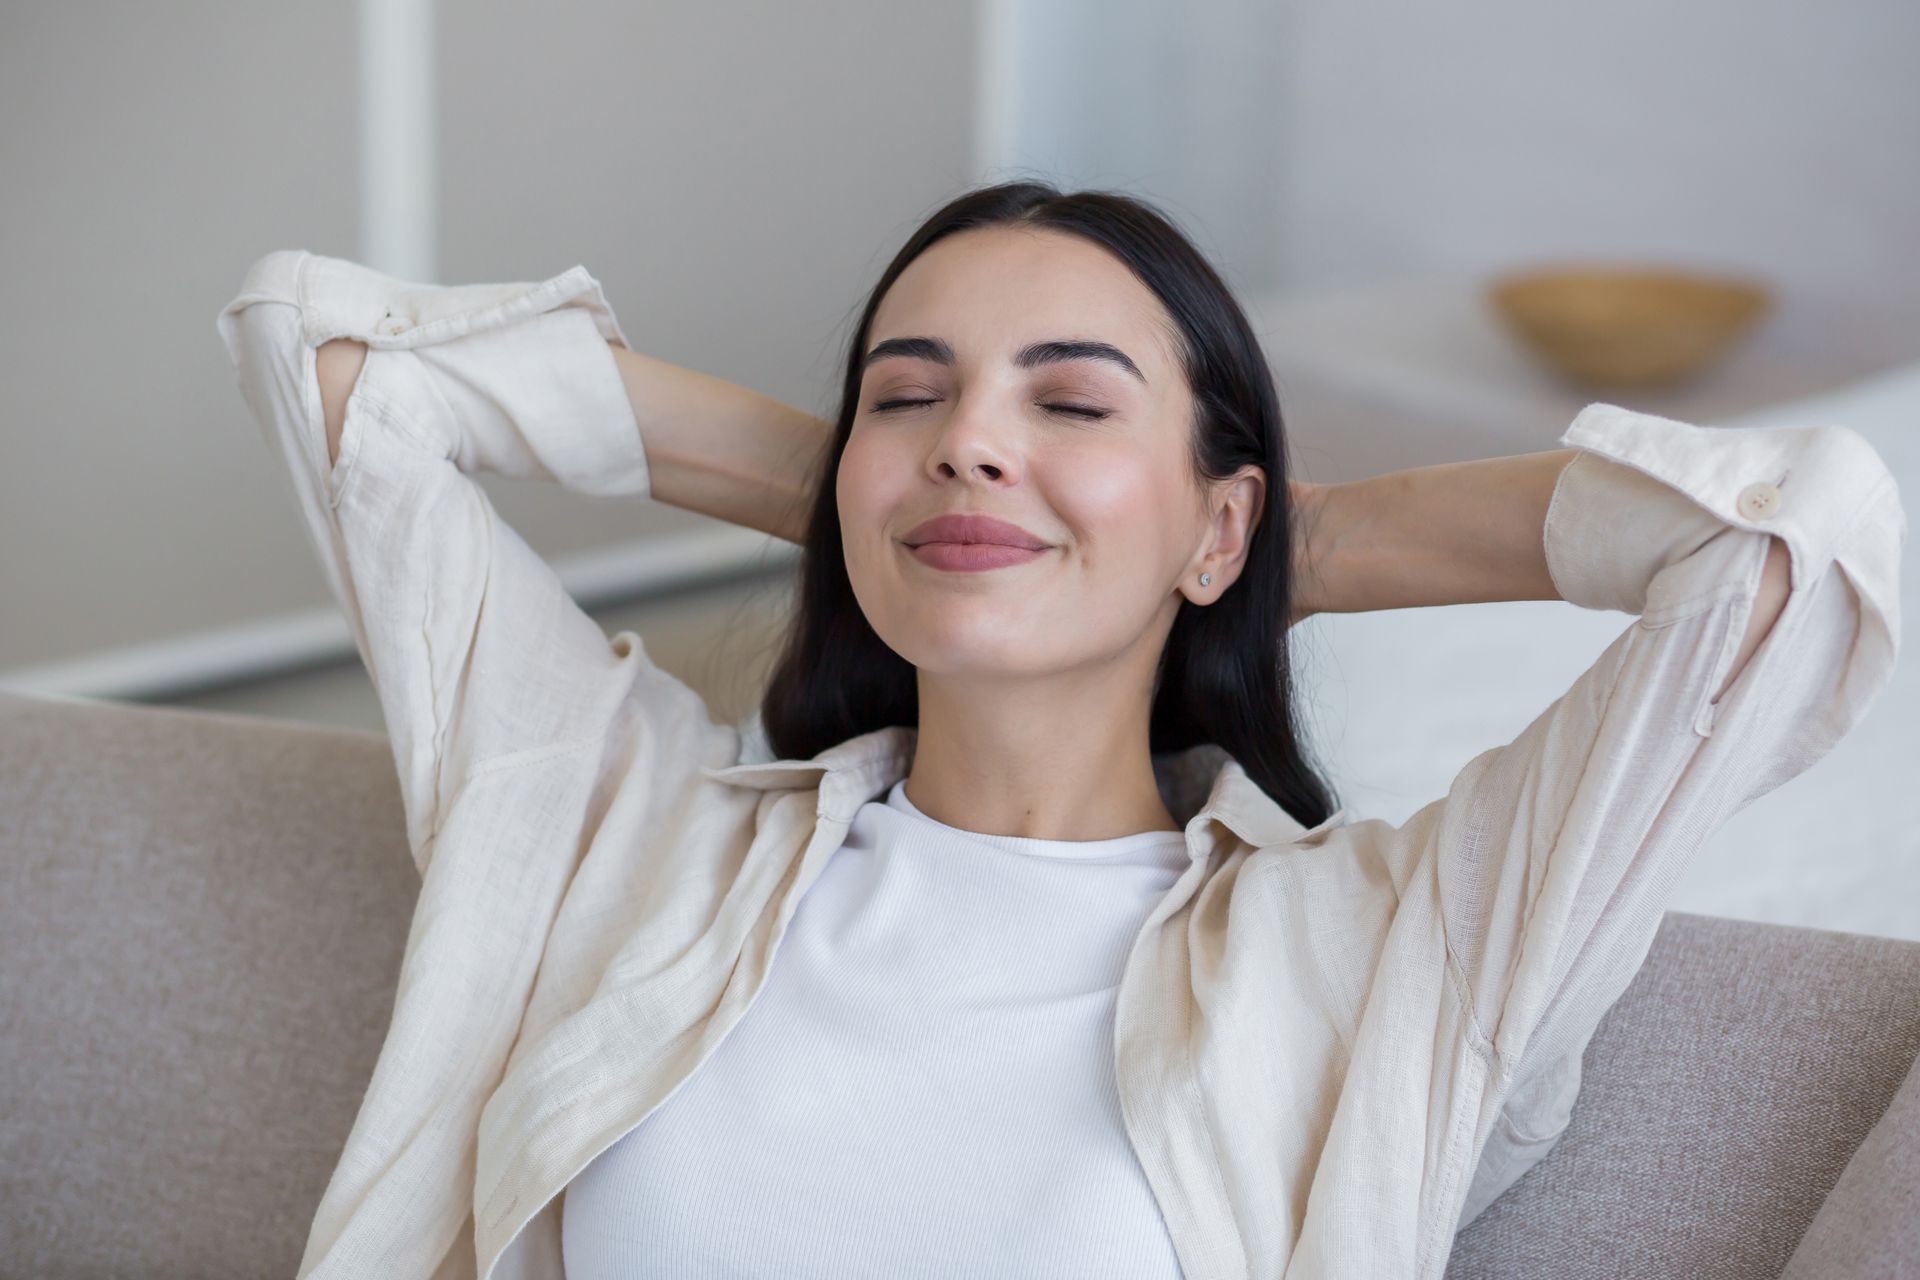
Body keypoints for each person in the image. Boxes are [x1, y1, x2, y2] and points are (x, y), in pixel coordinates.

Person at [216, 181, 1902, 1280]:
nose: (971, 442)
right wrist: (880, 495)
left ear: (1225, 523)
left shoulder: (1383, 953)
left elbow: (1788, 559)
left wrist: (1278, 548)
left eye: (1074, 401)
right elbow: (338, 360)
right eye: (908, 391)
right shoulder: (625, 829)